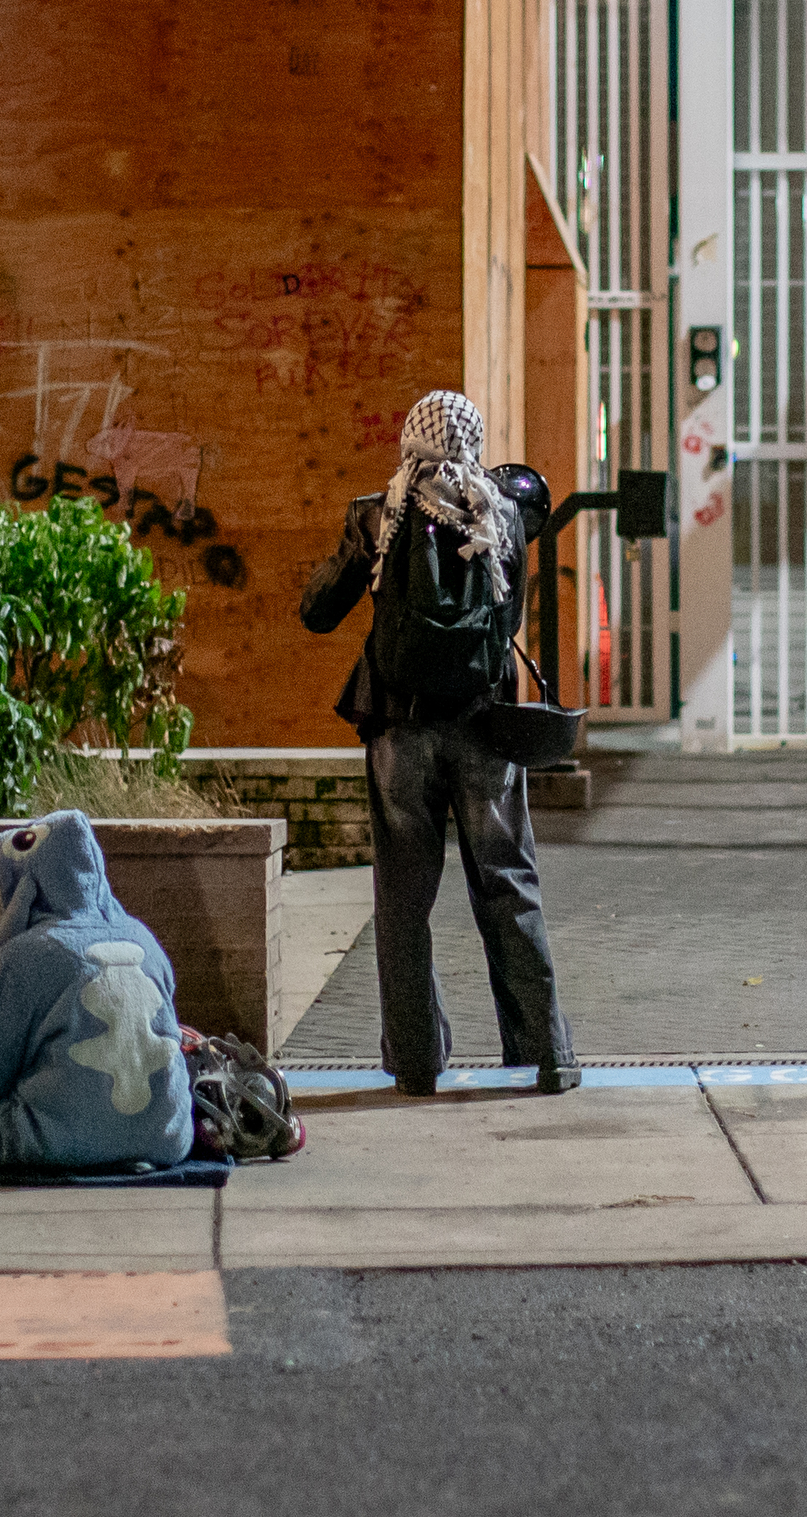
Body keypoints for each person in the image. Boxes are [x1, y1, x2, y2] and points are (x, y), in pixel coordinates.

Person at [298, 388, 579, 1098]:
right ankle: (548, 1054)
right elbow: (507, 612)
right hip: (485, 729)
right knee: (508, 883)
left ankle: (418, 1061)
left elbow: (316, 613)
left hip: (399, 730)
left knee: (402, 898)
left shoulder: (375, 514)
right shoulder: (506, 513)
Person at [0, 809, 195, 1169]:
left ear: (27, 887)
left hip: (52, 1143)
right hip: (168, 1140)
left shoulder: (28, 952)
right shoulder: (145, 939)